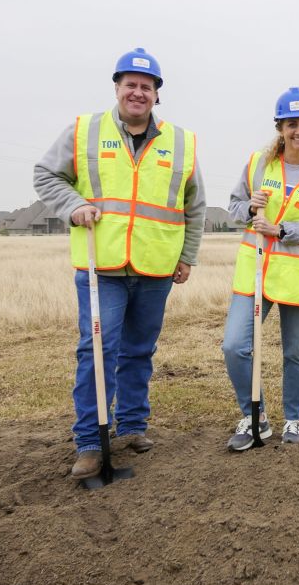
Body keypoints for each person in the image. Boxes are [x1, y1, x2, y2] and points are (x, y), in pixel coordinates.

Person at [34, 47, 205, 480]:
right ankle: (91, 442)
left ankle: (130, 426)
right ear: (117, 88)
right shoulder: (84, 131)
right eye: (130, 84)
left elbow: (194, 204)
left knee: (139, 352)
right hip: (102, 267)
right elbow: (45, 175)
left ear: (157, 95)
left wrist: (186, 257)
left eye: (146, 86)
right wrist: (73, 205)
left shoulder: (180, 143)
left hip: (155, 268)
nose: (138, 92)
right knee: (96, 350)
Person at [222, 87, 299, 449]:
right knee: (234, 345)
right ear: (280, 127)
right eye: (292, 124)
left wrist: (278, 229)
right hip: (256, 271)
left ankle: (293, 418)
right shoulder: (258, 165)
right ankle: (255, 416)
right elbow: (232, 208)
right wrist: (249, 208)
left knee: (294, 351)